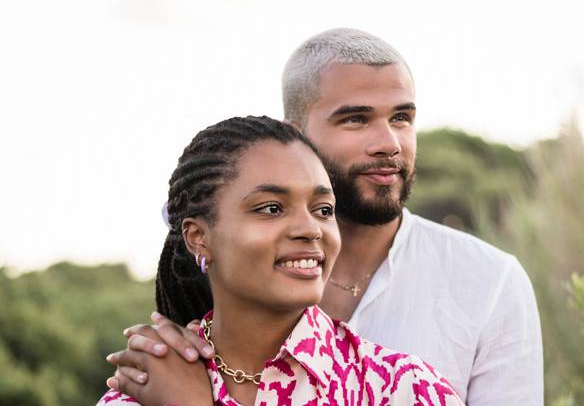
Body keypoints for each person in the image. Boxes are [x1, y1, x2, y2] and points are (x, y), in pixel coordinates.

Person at [108, 29, 543, 405]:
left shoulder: (425, 365)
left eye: (402, 118)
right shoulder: (168, 369)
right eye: (356, 119)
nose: (389, 143)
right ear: (294, 135)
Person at [98, 116, 464, 405]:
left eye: (323, 209)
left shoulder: (404, 391)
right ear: (199, 237)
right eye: (271, 208)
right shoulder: (142, 393)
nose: (311, 229)